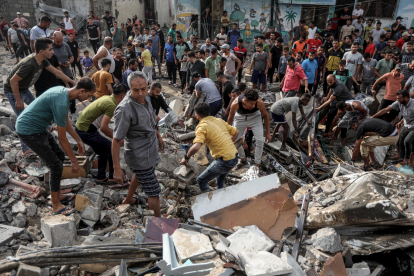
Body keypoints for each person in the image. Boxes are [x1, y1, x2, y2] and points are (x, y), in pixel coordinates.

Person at [16, 78, 95, 215]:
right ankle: (55, 206)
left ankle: (57, 194)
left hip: (38, 128)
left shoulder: (64, 93)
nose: (88, 99)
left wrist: (78, 140)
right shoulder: (61, 101)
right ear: (82, 91)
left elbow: (64, 120)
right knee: (56, 166)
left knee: (59, 156)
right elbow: (63, 138)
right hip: (28, 131)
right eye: (88, 95)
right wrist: (74, 162)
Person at [112, 72, 164, 217]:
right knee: (154, 193)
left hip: (150, 147)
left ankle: (128, 199)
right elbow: (116, 140)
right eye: (136, 90)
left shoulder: (145, 97)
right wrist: (117, 168)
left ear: (147, 86)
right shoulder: (125, 109)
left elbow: (150, 120)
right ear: (129, 88)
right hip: (139, 155)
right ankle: (159, 225)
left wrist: (158, 136)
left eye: (143, 89)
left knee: (141, 175)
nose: (141, 93)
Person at [180, 102, 238, 193]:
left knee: (201, 180)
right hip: (234, 157)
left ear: (197, 115)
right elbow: (236, 132)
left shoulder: (202, 127)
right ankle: (221, 200)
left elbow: (196, 147)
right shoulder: (219, 120)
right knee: (220, 179)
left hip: (223, 161)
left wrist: (186, 158)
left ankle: (209, 204)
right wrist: (228, 144)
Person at [75, 83, 127, 183]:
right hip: (86, 130)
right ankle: (112, 177)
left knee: (102, 152)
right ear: (123, 96)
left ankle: (101, 177)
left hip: (84, 128)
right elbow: (103, 127)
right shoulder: (111, 105)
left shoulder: (108, 98)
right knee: (111, 148)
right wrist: (117, 139)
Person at [228, 88, 270, 169]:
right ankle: (243, 159)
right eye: (251, 104)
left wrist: (268, 133)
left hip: (255, 117)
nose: (254, 106)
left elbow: (265, 115)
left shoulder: (259, 103)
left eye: (254, 103)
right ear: (244, 101)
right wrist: (229, 133)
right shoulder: (235, 104)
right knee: (235, 140)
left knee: (260, 140)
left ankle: (257, 164)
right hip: (240, 118)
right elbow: (230, 118)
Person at [371, 90, 413, 165]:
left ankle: (407, 158)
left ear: (406, 98)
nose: (397, 100)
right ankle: (401, 159)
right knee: (400, 141)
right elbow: (385, 110)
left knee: (407, 141)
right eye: (397, 98)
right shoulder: (399, 102)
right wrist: (372, 118)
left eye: (399, 98)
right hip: (406, 124)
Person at [315, 75, 354, 139]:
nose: (329, 83)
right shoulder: (332, 83)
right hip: (337, 99)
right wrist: (327, 96)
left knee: (344, 119)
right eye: (328, 82)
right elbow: (331, 88)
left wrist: (319, 108)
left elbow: (330, 100)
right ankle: (326, 131)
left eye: (331, 82)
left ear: (335, 80)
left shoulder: (339, 86)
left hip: (346, 102)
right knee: (330, 115)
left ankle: (343, 137)